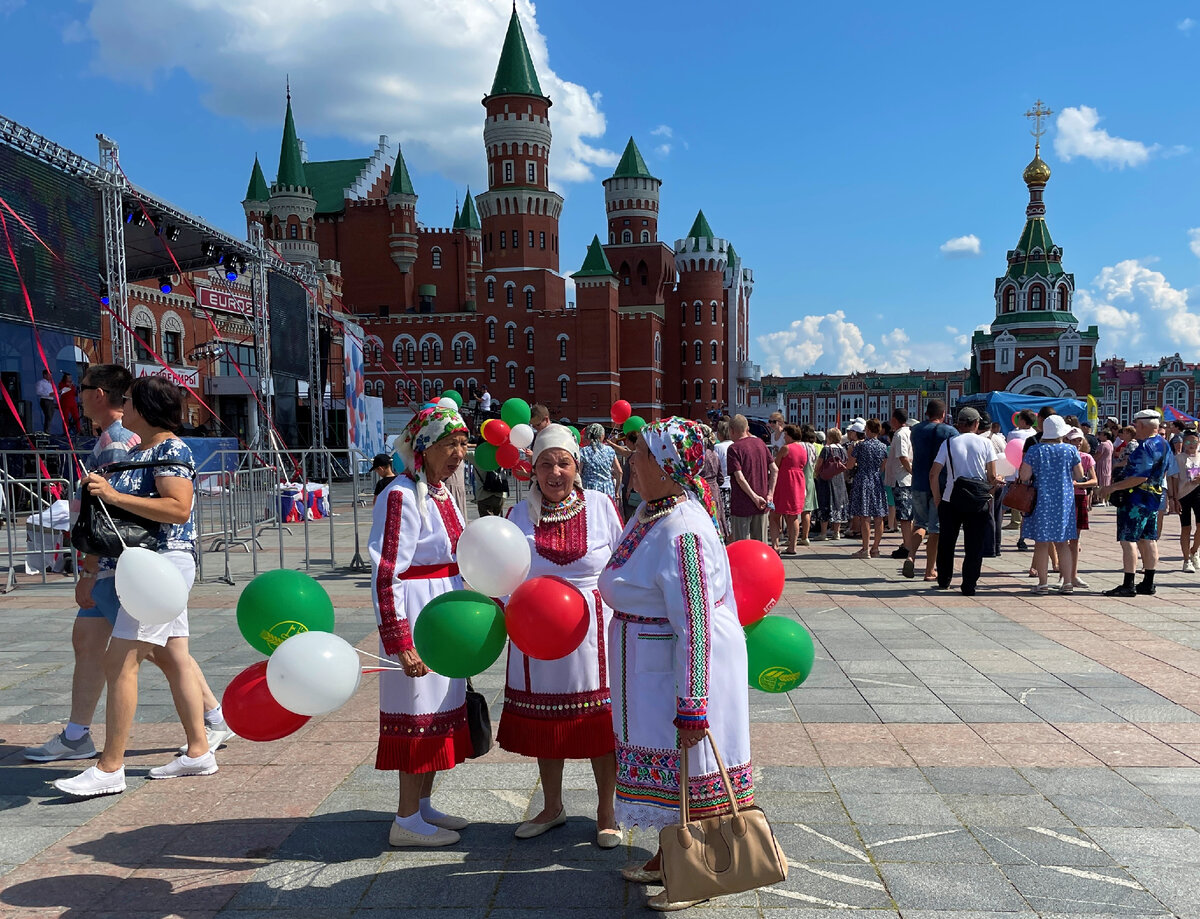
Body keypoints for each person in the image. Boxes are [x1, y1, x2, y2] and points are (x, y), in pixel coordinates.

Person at [25, 365, 232, 765]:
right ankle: (200, 743)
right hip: (136, 566)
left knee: (127, 659)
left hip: (154, 564)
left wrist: (92, 562)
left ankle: (111, 764)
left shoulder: (161, 448)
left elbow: (175, 507)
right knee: (162, 652)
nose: (125, 406)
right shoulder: (143, 449)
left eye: (132, 401)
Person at [597, 417, 753, 912]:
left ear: (666, 466)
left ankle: (701, 871)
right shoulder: (651, 511)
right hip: (650, 661)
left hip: (672, 663)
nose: (629, 462)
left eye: (640, 454)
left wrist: (693, 705)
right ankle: (671, 852)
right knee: (666, 763)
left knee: (689, 759)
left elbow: (696, 623)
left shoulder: (682, 528)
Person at [499, 425, 624, 845]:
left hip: (593, 634)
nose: (555, 472)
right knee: (545, 721)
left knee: (598, 725)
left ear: (577, 466)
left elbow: (624, 562)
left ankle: (607, 811)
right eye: (546, 463)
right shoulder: (517, 516)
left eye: (564, 463)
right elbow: (500, 571)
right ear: (533, 469)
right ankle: (552, 806)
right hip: (536, 631)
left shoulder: (602, 505)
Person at [369, 404, 472, 847]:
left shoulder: (442, 493)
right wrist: (401, 641)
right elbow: (386, 569)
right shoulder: (400, 493)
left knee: (440, 711)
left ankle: (424, 805)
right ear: (425, 446)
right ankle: (406, 819)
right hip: (418, 612)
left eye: (463, 445)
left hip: (445, 612)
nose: (459, 454)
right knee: (416, 712)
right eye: (451, 444)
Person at [1098, 410, 1171, 597]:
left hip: (1135, 499)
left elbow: (1139, 476)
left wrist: (1112, 488)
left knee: (1128, 539)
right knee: (1148, 539)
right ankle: (1148, 582)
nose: (1135, 427)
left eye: (1137, 424)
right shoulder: (1164, 444)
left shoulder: (1145, 446)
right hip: (1154, 496)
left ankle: (1128, 583)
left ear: (1145, 425)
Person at [929, 407, 998, 596]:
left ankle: (944, 580)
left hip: (951, 498)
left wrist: (937, 498)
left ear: (959, 423)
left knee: (947, 542)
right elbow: (991, 476)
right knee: (974, 545)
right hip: (977, 500)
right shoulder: (986, 443)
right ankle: (969, 585)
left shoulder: (949, 443)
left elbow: (934, 473)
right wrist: (992, 490)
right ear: (976, 424)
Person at [1017, 416, 1083, 594]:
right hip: (1064, 500)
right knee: (1063, 542)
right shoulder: (1070, 450)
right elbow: (1079, 475)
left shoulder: (1034, 450)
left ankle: (1043, 584)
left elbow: (1024, 476)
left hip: (1042, 499)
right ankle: (1067, 582)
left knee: (1042, 543)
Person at [905, 400, 957, 580]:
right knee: (935, 529)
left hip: (918, 482)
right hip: (939, 485)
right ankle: (929, 571)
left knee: (919, 524)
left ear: (927, 413)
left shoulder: (916, 430)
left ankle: (911, 555)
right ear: (943, 414)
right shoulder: (949, 432)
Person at [726, 414, 775, 542]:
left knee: (742, 546)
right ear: (747, 428)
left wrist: (754, 497)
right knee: (761, 544)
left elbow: (739, 477)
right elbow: (775, 469)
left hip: (742, 504)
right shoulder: (760, 443)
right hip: (763, 502)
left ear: (731, 431)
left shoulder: (733, 449)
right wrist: (770, 494)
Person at [846, 418, 888, 558]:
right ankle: (875, 548)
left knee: (865, 515)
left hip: (863, 478)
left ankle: (865, 548)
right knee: (878, 515)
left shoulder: (861, 446)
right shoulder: (882, 446)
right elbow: (883, 466)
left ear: (868, 430)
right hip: (876, 480)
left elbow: (850, 465)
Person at [1063, 427, 1098, 590]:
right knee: (1062, 539)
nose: (1077, 443)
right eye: (1073, 440)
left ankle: (1073, 575)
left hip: (1079, 497)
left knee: (1075, 539)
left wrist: (1079, 484)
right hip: (1064, 498)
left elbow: (1094, 481)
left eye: (1079, 440)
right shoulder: (1063, 455)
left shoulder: (1086, 457)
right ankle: (1064, 576)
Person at [770, 424, 808, 554]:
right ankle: (793, 545)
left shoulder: (785, 448)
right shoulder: (803, 449)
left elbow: (776, 465)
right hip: (798, 481)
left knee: (775, 515)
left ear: (790, 435)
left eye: (785, 435)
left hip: (785, 482)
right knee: (793, 516)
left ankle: (775, 545)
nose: (784, 437)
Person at [885, 408, 914, 560]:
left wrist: (911, 472)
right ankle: (908, 543)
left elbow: (903, 456)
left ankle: (908, 545)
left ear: (895, 420)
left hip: (902, 479)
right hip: (904, 478)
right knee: (906, 514)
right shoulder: (909, 432)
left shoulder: (900, 434)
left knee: (904, 515)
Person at [1171, 428, 1200, 573]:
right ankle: (1186, 560)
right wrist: (1174, 498)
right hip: (1183, 494)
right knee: (1186, 528)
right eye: (1188, 441)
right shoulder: (1179, 458)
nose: (1191, 444)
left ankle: (1194, 551)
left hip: (1199, 493)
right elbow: (1174, 480)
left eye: (1194, 441)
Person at [815, 427, 849, 540]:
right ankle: (836, 532)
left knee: (825, 503)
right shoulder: (842, 449)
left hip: (826, 479)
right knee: (838, 504)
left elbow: (819, 464)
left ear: (829, 437)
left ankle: (823, 533)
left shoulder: (826, 449)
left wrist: (816, 473)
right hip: (839, 479)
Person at [580, 423, 621, 500]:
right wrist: (616, 491)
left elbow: (578, 472)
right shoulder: (610, 451)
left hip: (589, 489)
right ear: (602, 436)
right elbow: (619, 472)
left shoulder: (584, 451)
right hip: (607, 489)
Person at [713, 421, 733, 538]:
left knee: (723, 516)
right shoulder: (734, 444)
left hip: (722, 484)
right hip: (733, 484)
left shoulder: (718, 447)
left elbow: (716, 466)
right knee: (731, 515)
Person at [799, 424, 819, 546]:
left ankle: (796, 535)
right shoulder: (813, 447)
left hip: (801, 477)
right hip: (811, 478)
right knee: (808, 509)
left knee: (797, 510)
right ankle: (805, 536)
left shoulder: (800, 446)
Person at [1094, 429, 1115, 505]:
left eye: (1101, 435)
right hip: (1108, 464)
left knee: (1101, 481)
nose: (1099, 436)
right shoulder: (1110, 444)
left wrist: (1092, 460)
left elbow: (1098, 455)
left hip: (1101, 464)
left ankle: (1101, 500)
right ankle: (1106, 500)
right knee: (1106, 482)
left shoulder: (1103, 444)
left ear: (1105, 436)